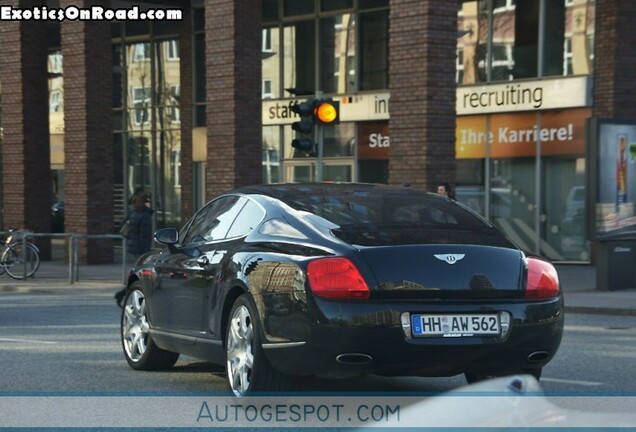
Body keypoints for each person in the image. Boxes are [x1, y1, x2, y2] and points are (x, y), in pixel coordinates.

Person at [115, 190, 154, 307]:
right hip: (140, 250)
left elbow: (122, 227)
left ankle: (124, 294)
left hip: (132, 248)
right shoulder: (145, 216)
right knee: (140, 276)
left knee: (137, 275)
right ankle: (124, 295)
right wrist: (146, 253)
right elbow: (144, 236)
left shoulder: (132, 214)